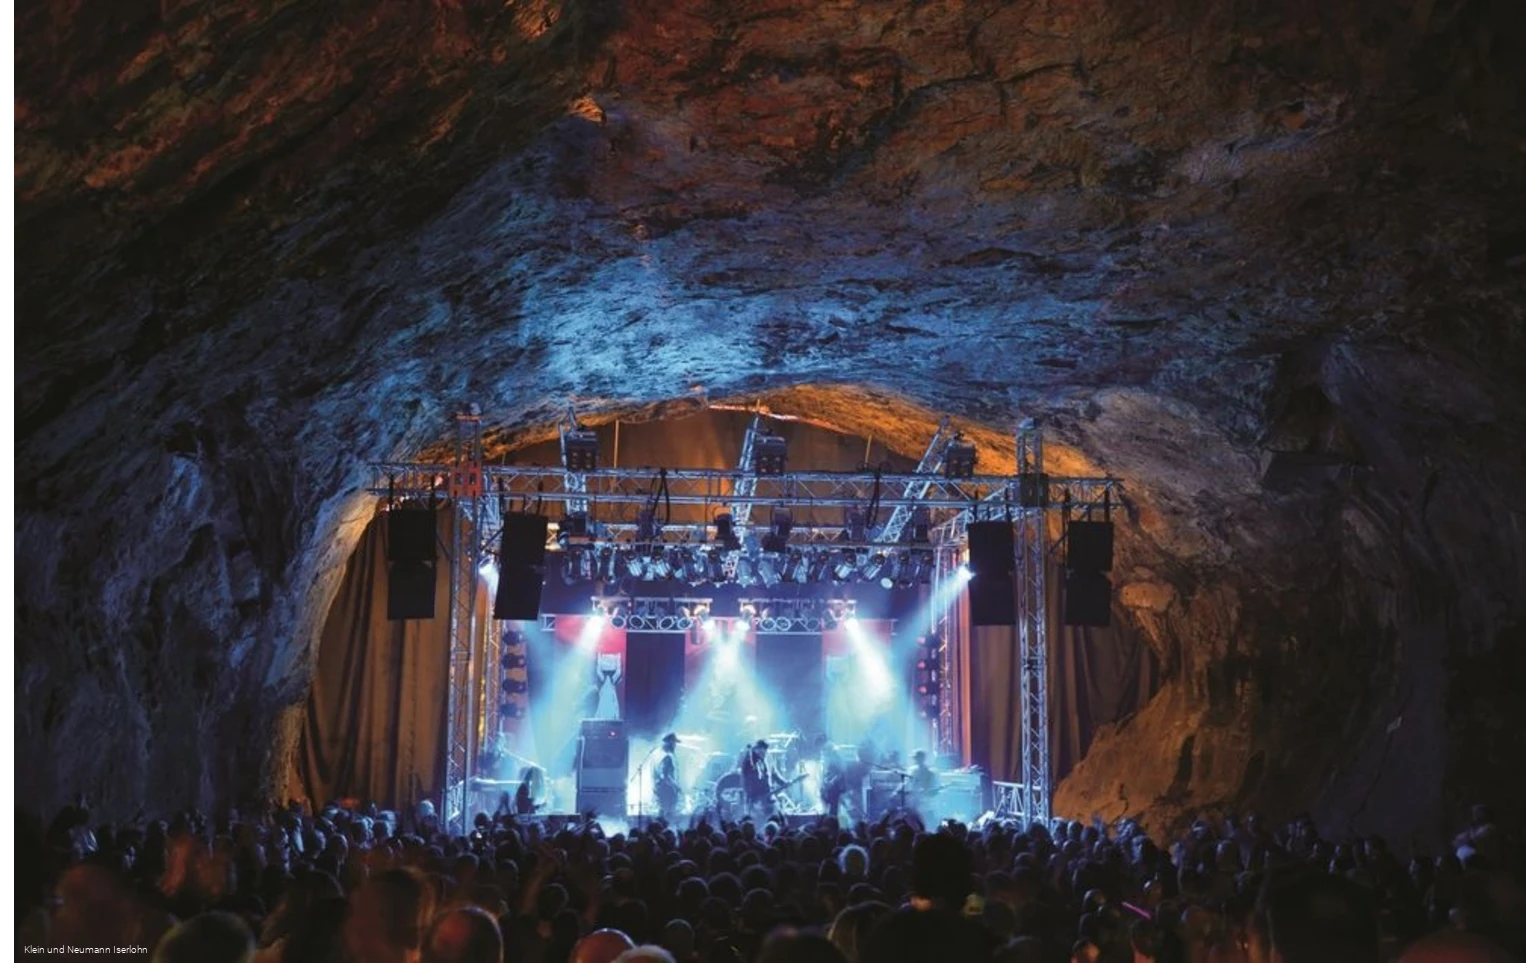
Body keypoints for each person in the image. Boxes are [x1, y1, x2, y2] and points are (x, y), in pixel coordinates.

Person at [740, 740, 774, 820]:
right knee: (756, 819)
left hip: (764, 797)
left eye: (765, 751)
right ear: (756, 750)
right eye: (762, 751)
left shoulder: (763, 761)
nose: (765, 753)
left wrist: (783, 782)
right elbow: (749, 780)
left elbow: (772, 773)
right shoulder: (749, 761)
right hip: (755, 798)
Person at [654, 734, 683, 822]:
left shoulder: (660, 756)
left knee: (664, 811)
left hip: (663, 789)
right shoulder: (667, 758)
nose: (675, 746)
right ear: (670, 743)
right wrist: (676, 786)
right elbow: (666, 776)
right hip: (666, 790)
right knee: (668, 813)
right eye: (674, 743)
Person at [908, 750, 939, 824]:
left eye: (916, 758)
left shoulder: (930, 772)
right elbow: (909, 784)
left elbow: (932, 787)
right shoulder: (912, 770)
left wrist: (924, 792)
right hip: (914, 799)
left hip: (925, 801)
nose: (915, 760)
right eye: (915, 758)